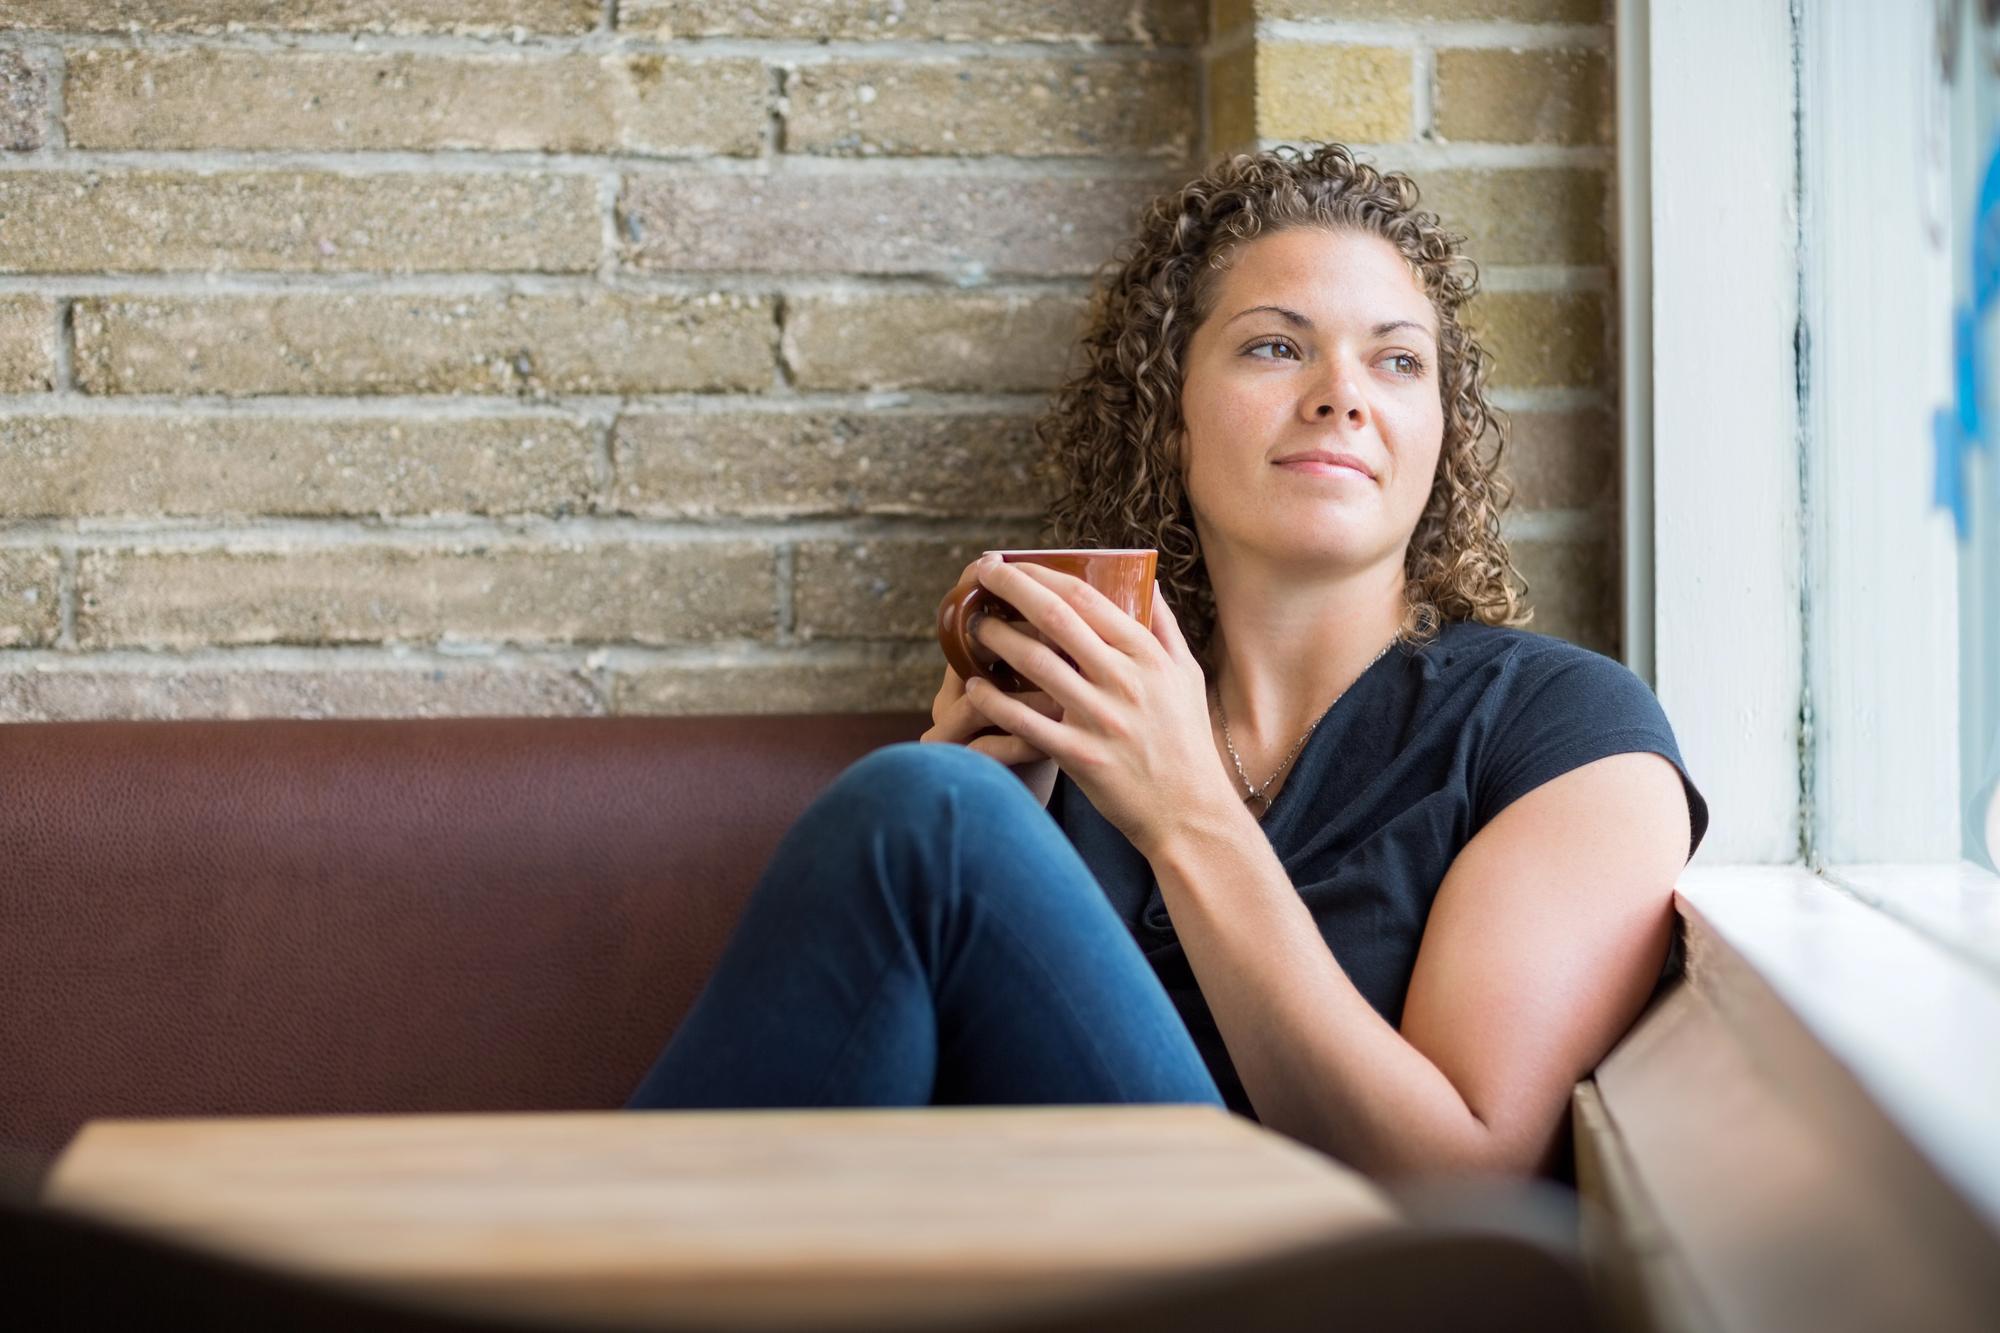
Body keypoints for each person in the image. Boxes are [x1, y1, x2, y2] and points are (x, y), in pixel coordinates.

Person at [629, 144, 1706, 1180]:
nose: (1343, 393)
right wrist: (992, 803)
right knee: (941, 802)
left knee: (930, 813)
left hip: (1304, 1288)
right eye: (1275, 346)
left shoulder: (1565, 731)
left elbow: (1461, 1182)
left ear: (1439, 430)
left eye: (1395, 359)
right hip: (1004, 1258)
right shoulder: (1085, 700)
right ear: (1169, 416)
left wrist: (1182, 812)